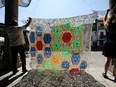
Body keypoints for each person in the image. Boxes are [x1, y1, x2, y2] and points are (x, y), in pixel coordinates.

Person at [102, 9, 116, 82]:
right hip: (115, 44)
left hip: (108, 44)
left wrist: (107, 12)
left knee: (108, 60)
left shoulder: (106, 25)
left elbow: (104, 20)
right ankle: (115, 76)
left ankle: (105, 74)